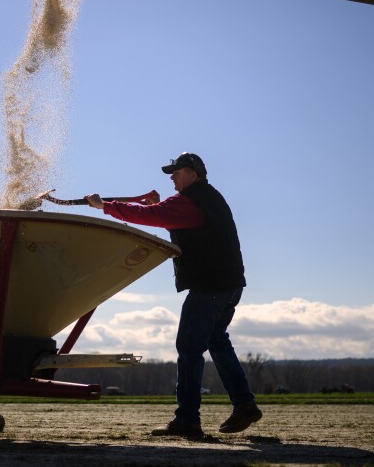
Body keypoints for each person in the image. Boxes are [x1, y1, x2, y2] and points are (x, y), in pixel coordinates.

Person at [85, 152, 262, 438]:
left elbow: (150, 216)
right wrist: (155, 208)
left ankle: (188, 419)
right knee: (217, 341)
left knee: (189, 349)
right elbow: (175, 219)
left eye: (177, 171)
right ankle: (244, 405)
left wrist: (104, 206)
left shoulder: (189, 200)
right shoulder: (208, 198)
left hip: (210, 286)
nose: (172, 177)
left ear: (193, 173)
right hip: (230, 285)